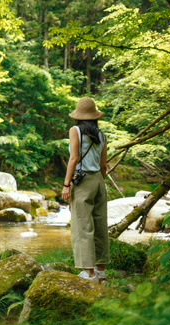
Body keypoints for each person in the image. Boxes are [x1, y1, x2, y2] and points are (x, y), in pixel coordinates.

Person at [61, 97, 109, 283]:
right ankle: (101, 270)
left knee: (83, 226)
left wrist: (66, 185)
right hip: (98, 180)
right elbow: (104, 164)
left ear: (78, 116)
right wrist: (99, 182)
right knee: (99, 224)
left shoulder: (75, 131)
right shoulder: (101, 135)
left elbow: (73, 159)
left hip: (82, 181)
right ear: (94, 116)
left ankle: (89, 274)